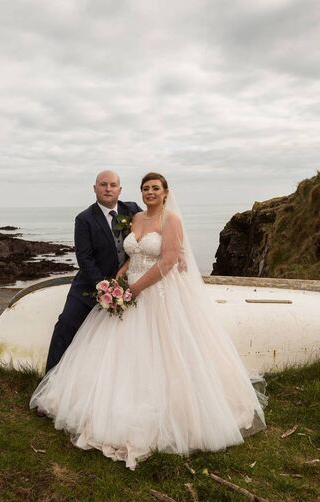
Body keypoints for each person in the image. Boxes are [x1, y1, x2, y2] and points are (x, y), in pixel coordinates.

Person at [31, 172, 266, 470]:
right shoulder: (133, 217)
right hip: (116, 289)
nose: (150, 192)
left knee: (165, 348)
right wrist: (115, 283)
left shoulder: (171, 220)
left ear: (166, 192)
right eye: (146, 188)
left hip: (157, 295)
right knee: (86, 335)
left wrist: (136, 288)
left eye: (155, 188)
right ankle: (56, 386)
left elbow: (167, 261)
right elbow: (129, 254)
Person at [43, 170, 142, 374]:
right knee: (66, 325)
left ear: (120, 189)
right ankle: (49, 380)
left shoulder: (132, 210)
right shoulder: (84, 219)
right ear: (94, 188)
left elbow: (154, 227)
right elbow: (84, 259)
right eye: (103, 184)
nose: (108, 188)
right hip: (90, 284)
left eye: (113, 185)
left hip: (129, 282)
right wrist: (105, 288)